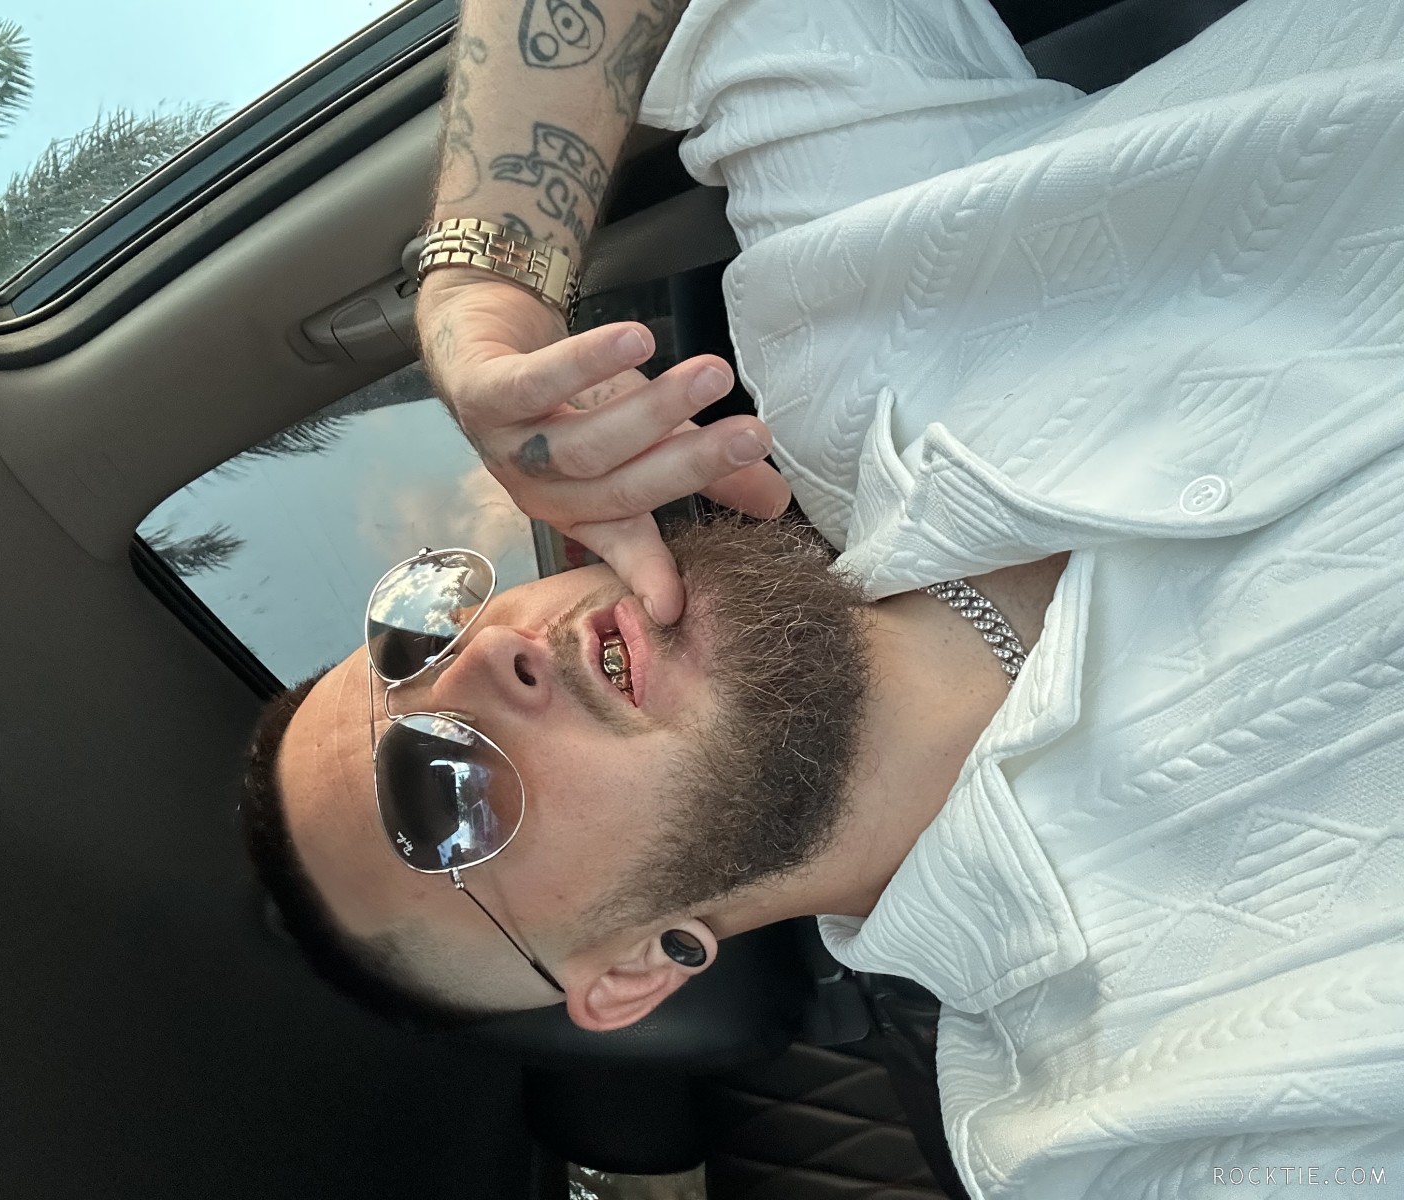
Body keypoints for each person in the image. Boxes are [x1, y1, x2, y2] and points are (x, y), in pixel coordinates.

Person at [246, 0, 1404, 1194]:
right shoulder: (1139, 1119)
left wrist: (481, 291)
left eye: (415, 636)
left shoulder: (844, 325)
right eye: (437, 797)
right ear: (632, 971)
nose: (486, 657)